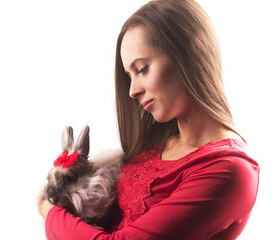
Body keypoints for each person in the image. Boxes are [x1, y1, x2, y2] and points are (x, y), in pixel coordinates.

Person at [38, 0, 260, 239]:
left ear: (188, 55)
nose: (132, 91)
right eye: (129, 76)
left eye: (142, 69)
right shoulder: (154, 143)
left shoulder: (228, 171)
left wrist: (47, 209)